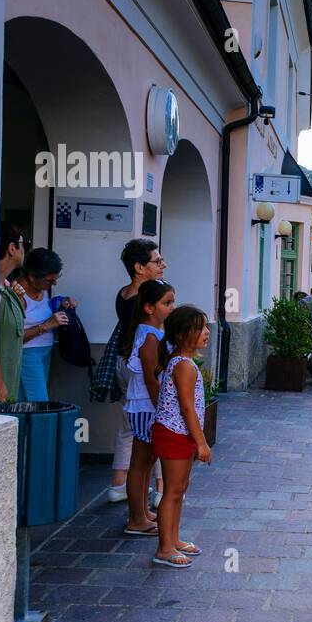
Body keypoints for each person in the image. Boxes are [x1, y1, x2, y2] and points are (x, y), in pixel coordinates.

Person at [105, 240, 166, 504]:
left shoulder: (123, 294)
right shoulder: (148, 299)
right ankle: (162, 489)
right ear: (139, 267)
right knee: (161, 423)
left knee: (129, 426)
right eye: (157, 261)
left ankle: (118, 485)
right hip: (143, 366)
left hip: (123, 362)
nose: (163, 265)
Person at [151, 305, 212, 569]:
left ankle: (173, 539)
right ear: (181, 334)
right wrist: (201, 442)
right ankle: (164, 549)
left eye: (206, 327)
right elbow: (187, 408)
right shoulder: (184, 366)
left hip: (180, 433)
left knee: (179, 490)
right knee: (172, 492)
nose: (207, 332)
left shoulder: (183, 362)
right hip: (174, 433)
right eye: (200, 328)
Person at [121, 280, 175, 536]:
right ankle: (135, 518)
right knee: (140, 464)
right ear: (149, 307)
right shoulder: (149, 337)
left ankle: (142, 511)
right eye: (166, 303)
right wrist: (162, 408)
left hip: (148, 406)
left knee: (147, 460)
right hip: (146, 407)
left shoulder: (153, 333)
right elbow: (152, 378)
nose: (171, 308)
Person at [18, 248, 75, 402]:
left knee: (24, 402)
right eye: (49, 280)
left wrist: (61, 302)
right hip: (28, 355)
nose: (53, 283)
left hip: (44, 352)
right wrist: (46, 325)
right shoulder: (18, 295)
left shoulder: (41, 288)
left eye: (56, 278)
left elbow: (38, 312)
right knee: (39, 404)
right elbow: (13, 338)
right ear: (31, 277)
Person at [0, 222, 27, 403]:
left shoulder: (6, 288)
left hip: (8, 387)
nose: (25, 250)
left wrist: (19, 299)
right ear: (12, 248)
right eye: (23, 244)